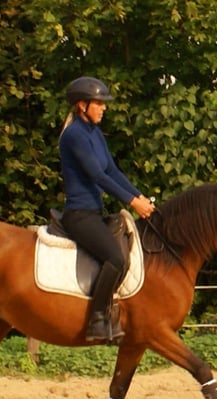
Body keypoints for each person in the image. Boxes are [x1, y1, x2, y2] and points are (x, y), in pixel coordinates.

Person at [58, 76, 155, 342]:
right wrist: (131, 202)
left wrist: (138, 195)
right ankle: (97, 320)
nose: (104, 108)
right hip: (79, 215)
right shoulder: (75, 135)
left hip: (95, 213)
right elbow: (96, 175)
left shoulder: (94, 133)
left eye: (103, 103)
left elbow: (111, 170)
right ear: (82, 105)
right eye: (98, 103)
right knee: (116, 259)